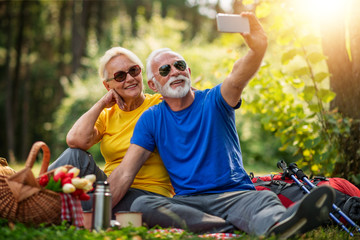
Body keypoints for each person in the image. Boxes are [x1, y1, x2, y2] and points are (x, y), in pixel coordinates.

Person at [107, 12, 335, 238]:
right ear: (153, 85)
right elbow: (126, 171)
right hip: (189, 203)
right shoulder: (151, 118)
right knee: (144, 203)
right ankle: (228, 227)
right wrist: (96, 211)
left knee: (262, 199)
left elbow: (237, 76)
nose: (175, 71)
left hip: (234, 195)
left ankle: (281, 224)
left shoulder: (215, 100)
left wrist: (258, 49)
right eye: (165, 70)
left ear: (188, 71)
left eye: (179, 65)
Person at [48, 47, 174, 213]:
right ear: (108, 86)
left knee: (71, 202)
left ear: (141, 72)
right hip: (109, 187)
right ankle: (35, 194)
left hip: (148, 195)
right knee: (75, 155)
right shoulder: (107, 114)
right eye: (120, 76)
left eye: (134, 70)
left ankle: (64, 206)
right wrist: (101, 103)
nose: (130, 78)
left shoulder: (160, 104)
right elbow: (75, 140)